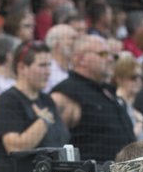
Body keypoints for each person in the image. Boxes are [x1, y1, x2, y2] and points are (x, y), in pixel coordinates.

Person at [0, 40, 69, 172]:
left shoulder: (46, 100)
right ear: (22, 67)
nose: (48, 72)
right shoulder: (8, 102)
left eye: (49, 65)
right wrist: (42, 122)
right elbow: (15, 148)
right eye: (42, 66)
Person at [51, 33, 134, 162]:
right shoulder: (65, 94)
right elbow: (52, 145)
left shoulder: (107, 91)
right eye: (103, 54)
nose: (111, 59)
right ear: (80, 59)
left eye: (112, 55)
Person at [112, 53, 143, 140]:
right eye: (133, 77)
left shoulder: (130, 103)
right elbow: (124, 138)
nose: (138, 81)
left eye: (140, 77)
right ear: (120, 79)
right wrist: (140, 122)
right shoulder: (117, 103)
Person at [44, 23, 75, 92]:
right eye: (73, 39)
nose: (77, 43)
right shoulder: (46, 70)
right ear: (57, 46)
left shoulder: (76, 69)